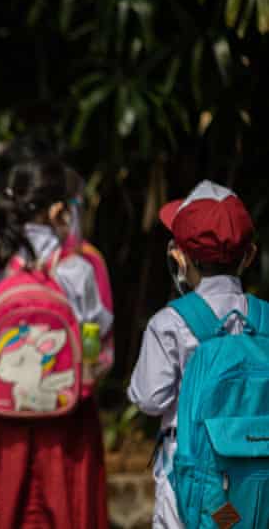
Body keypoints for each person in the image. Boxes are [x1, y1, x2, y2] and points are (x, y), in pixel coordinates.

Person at [0, 159, 112, 529]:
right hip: (66, 422)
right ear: (59, 210)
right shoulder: (78, 271)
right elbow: (97, 336)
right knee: (64, 509)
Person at [127, 180, 257, 529]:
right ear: (250, 255)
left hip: (190, 476)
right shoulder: (265, 320)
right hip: (256, 478)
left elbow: (149, 399)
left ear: (179, 256)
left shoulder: (171, 322)